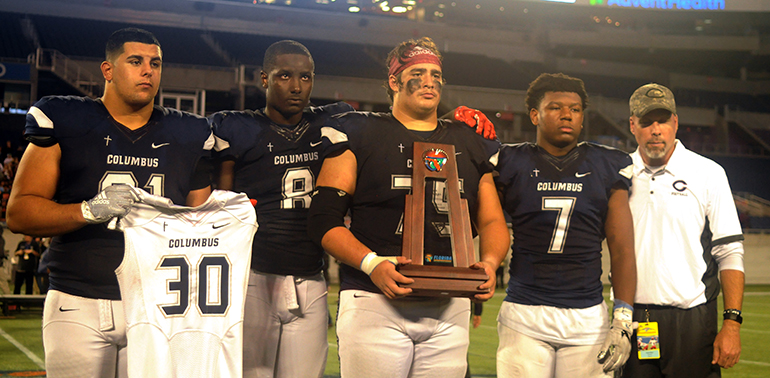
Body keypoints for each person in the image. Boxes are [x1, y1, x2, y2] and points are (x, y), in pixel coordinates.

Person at [7, 27, 215, 378]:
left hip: (158, 304)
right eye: (135, 61)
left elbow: (202, 224)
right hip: (78, 300)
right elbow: (19, 212)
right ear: (108, 70)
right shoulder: (66, 118)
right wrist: (88, 210)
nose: (148, 70)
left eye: (156, 63)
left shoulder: (189, 133)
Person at [307, 37, 510, 378]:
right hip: (375, 300)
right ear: (394, 81)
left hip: (449, 304)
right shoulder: (359, 131)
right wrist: (372, 264)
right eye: (417, 73)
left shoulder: (469, 140)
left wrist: (490, 263)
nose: (429, 81)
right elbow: (323, 221)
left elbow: (491, 221)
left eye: (435, 74)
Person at [210, 40, 354, 378]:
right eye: (285, 76)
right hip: (254, 278)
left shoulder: (333, 123)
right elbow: (220, 205)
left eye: (306, 78)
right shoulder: (237, 128)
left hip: (312, 277)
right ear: (264, 78)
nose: (296, 87)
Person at [494, 73, 637, 377]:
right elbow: (485, 221)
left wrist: (623, 318)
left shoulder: (607, 165)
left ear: (582, 118)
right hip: (524, 313)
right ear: (535, 114)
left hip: (587, 317)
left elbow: (622, 248)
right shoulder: (510, 161)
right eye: (555, 107)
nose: (566, 114)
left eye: (574, 109)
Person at [622, 83, 744, 378]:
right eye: (646, 121)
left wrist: (731, 324)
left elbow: (730, 253)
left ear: (675, 123)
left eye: (662, 120)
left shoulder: (708, 173)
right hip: (633, 318)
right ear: (632, 125)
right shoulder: (618, 173)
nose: (655, 130)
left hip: (692, 322)